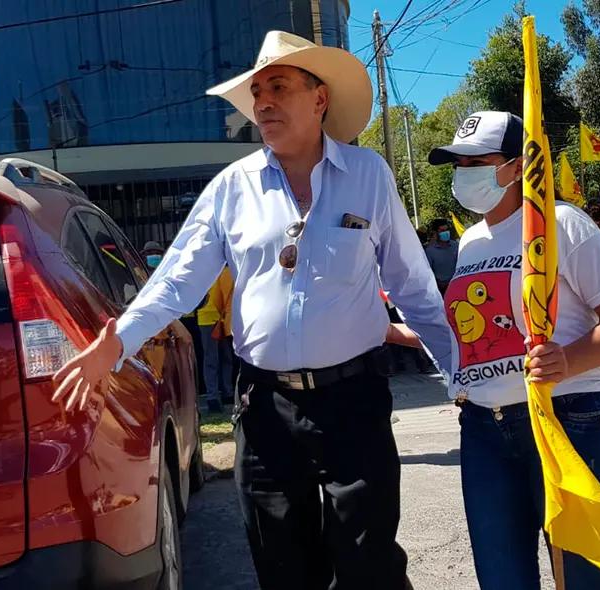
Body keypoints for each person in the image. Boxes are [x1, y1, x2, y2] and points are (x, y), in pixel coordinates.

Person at [51, 31, 450, 590]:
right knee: (284, 570)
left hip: (353, 404)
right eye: (257, 91)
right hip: (266, 408)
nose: (262, 102)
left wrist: (463, 372)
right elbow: (176, 282)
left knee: (370, 568)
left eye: (278, 87)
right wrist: (118, 343)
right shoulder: (230, 189)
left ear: (319, 99)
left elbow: (413, 288)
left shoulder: (369, 176)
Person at [390, 110, 600, 590]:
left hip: (570, 420)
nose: (463, 176)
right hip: (485, 430)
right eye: (457, 166)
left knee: (584, 581)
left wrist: (567, 361)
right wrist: (381, 330)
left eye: (475, 162)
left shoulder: (561, 224)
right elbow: (466, 336)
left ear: (517, 165)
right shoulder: (470, 242)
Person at [197, 265, 235, 413]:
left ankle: (223, 394)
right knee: (218, 359)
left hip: (215, 319)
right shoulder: (224, 271)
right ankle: (216, 396)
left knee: (219, 358)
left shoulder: (211, 270)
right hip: (215, 319)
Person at [425, 218, 458, 294]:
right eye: (442, 231)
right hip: (440, 290)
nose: (446, 232)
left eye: (447, 230)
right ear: (436, 233)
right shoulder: (430, 251)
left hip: (456, 285)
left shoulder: (456, 246)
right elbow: (428, 272)